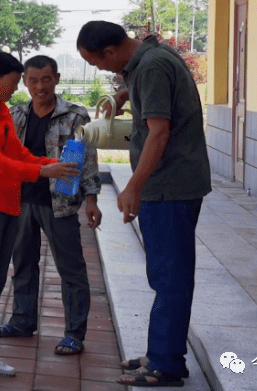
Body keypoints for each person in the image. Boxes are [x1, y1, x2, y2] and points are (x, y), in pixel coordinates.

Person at [77, 21, 211, 388]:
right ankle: (161, 353)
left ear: (110, 52)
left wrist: (132, 186)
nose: (102, 70)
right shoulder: (152, 56)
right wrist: (125, 96)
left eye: (98, 63)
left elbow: (159, 131)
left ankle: (165, 364)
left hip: (168, 187)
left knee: (170, 278)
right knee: (166, 275)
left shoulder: (150, 67)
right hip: (173, 184)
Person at [0, 52, 80, 390]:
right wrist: (43, 171)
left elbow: (17, 154)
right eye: (12, 83)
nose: (15, 90)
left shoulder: (2, 112)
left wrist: (51, 163)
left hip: (9, 204)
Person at [0, 55, 102, 356]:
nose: (40, 87)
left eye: (47, 79)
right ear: (24, 81)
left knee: (72, 269)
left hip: (60, 202)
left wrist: (91, 200)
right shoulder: (15, 114)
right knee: (22, 264)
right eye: (33, 80)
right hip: (20, 201)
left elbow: (87, 161)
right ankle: (22, 321)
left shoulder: (75, 116)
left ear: (57, 78)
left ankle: (74, 334)